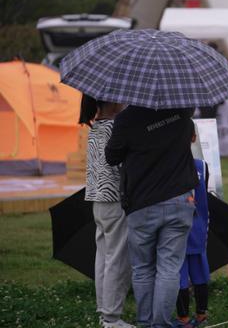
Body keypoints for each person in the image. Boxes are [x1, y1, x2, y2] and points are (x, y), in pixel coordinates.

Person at [105, 107, 198, 328]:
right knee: (169, 268)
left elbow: (111, 156)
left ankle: (145, 323)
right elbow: (189, 139)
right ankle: (162, 324)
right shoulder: (183, 112)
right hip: (179, 199)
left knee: (143, 267)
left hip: (141, 203)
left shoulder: (126, 119)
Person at [80, 95, 133, 328]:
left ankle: (105, 312)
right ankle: (112, 317)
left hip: (97, 201)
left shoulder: (95, 126)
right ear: (112, 102)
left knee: (103, 257)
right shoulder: (115, 127)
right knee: (117, 259)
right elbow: (121, 164)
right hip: (114, 200)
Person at [174, 153, 210, 328]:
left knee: (180, 274)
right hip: (198, 226)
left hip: (175, 227)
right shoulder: (202, 166)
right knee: (200, 272)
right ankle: (202, 314)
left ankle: (183, 319)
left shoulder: (167, 164)